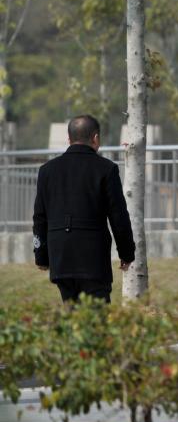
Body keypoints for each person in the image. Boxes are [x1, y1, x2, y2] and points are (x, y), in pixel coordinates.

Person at [32, 115, 135, 303]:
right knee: (96, 320)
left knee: (72, 316)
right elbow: (118, 216)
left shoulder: (46, 170)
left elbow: (40, 217)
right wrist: (127, 252)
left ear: (69, 139)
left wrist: (41, 255)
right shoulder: (106, 169)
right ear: (95, 138)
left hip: (61, 256)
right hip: (93, 259)